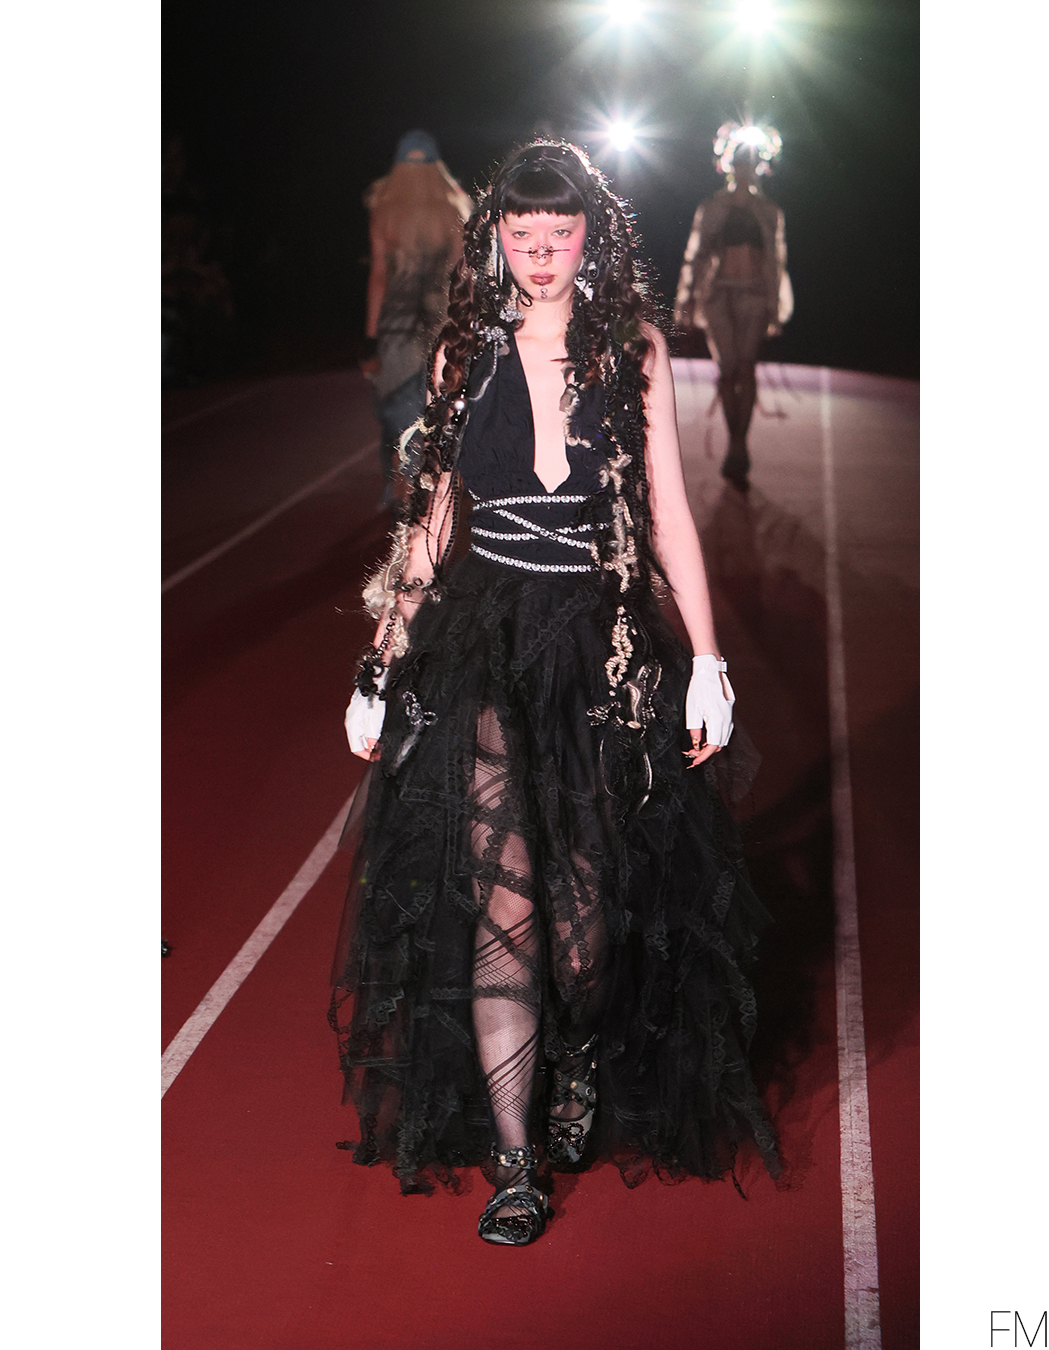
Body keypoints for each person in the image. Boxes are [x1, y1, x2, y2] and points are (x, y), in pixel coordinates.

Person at [332, 141, 779, 1247]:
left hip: (596, 646)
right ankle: (515, 1161)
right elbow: (433, 522)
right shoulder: (464, 351)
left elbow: (667, 512)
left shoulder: (634, 348)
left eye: (559, 236)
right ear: (496, 237)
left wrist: (708, 660)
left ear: (592, 236)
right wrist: (379, 665)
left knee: (581, 931)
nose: (539, 256)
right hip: (483, 645)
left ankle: (573, 1051)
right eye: (522, 237)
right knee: (504, 907)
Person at [674, 124, 793, 487]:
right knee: (728, 370)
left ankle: (739, 444)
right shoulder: (712, 207)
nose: (745, 167)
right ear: (730, 164)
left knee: (745, 366)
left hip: (754, 293)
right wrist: (686, 297)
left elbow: (776, 259)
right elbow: (696, 253)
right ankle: (735, 443)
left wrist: (775, 301)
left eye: (751, 161)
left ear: (759, 166)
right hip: (719, 294)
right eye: (740, 160)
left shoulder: (768, 210)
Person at [360, 130, 472, 507]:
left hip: (396, 328)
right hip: (441, 324)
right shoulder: (453, 209)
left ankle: (401, 488)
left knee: (398, 412)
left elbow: (379, 276)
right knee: (439, 409)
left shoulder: (384, 209)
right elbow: (460, 275)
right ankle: (433, 494)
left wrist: (370, 338)